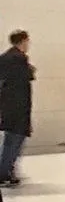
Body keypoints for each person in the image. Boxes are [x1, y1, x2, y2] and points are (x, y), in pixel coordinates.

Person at [0, 30, 35, 187]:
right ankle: (4, 171)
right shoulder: (19, 59)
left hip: (8, 106)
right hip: (18, 107)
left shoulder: (5, 58)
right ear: (23, 41)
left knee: (10, 140)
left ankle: (8, 170)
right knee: (14, 140)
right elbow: (26, 76)